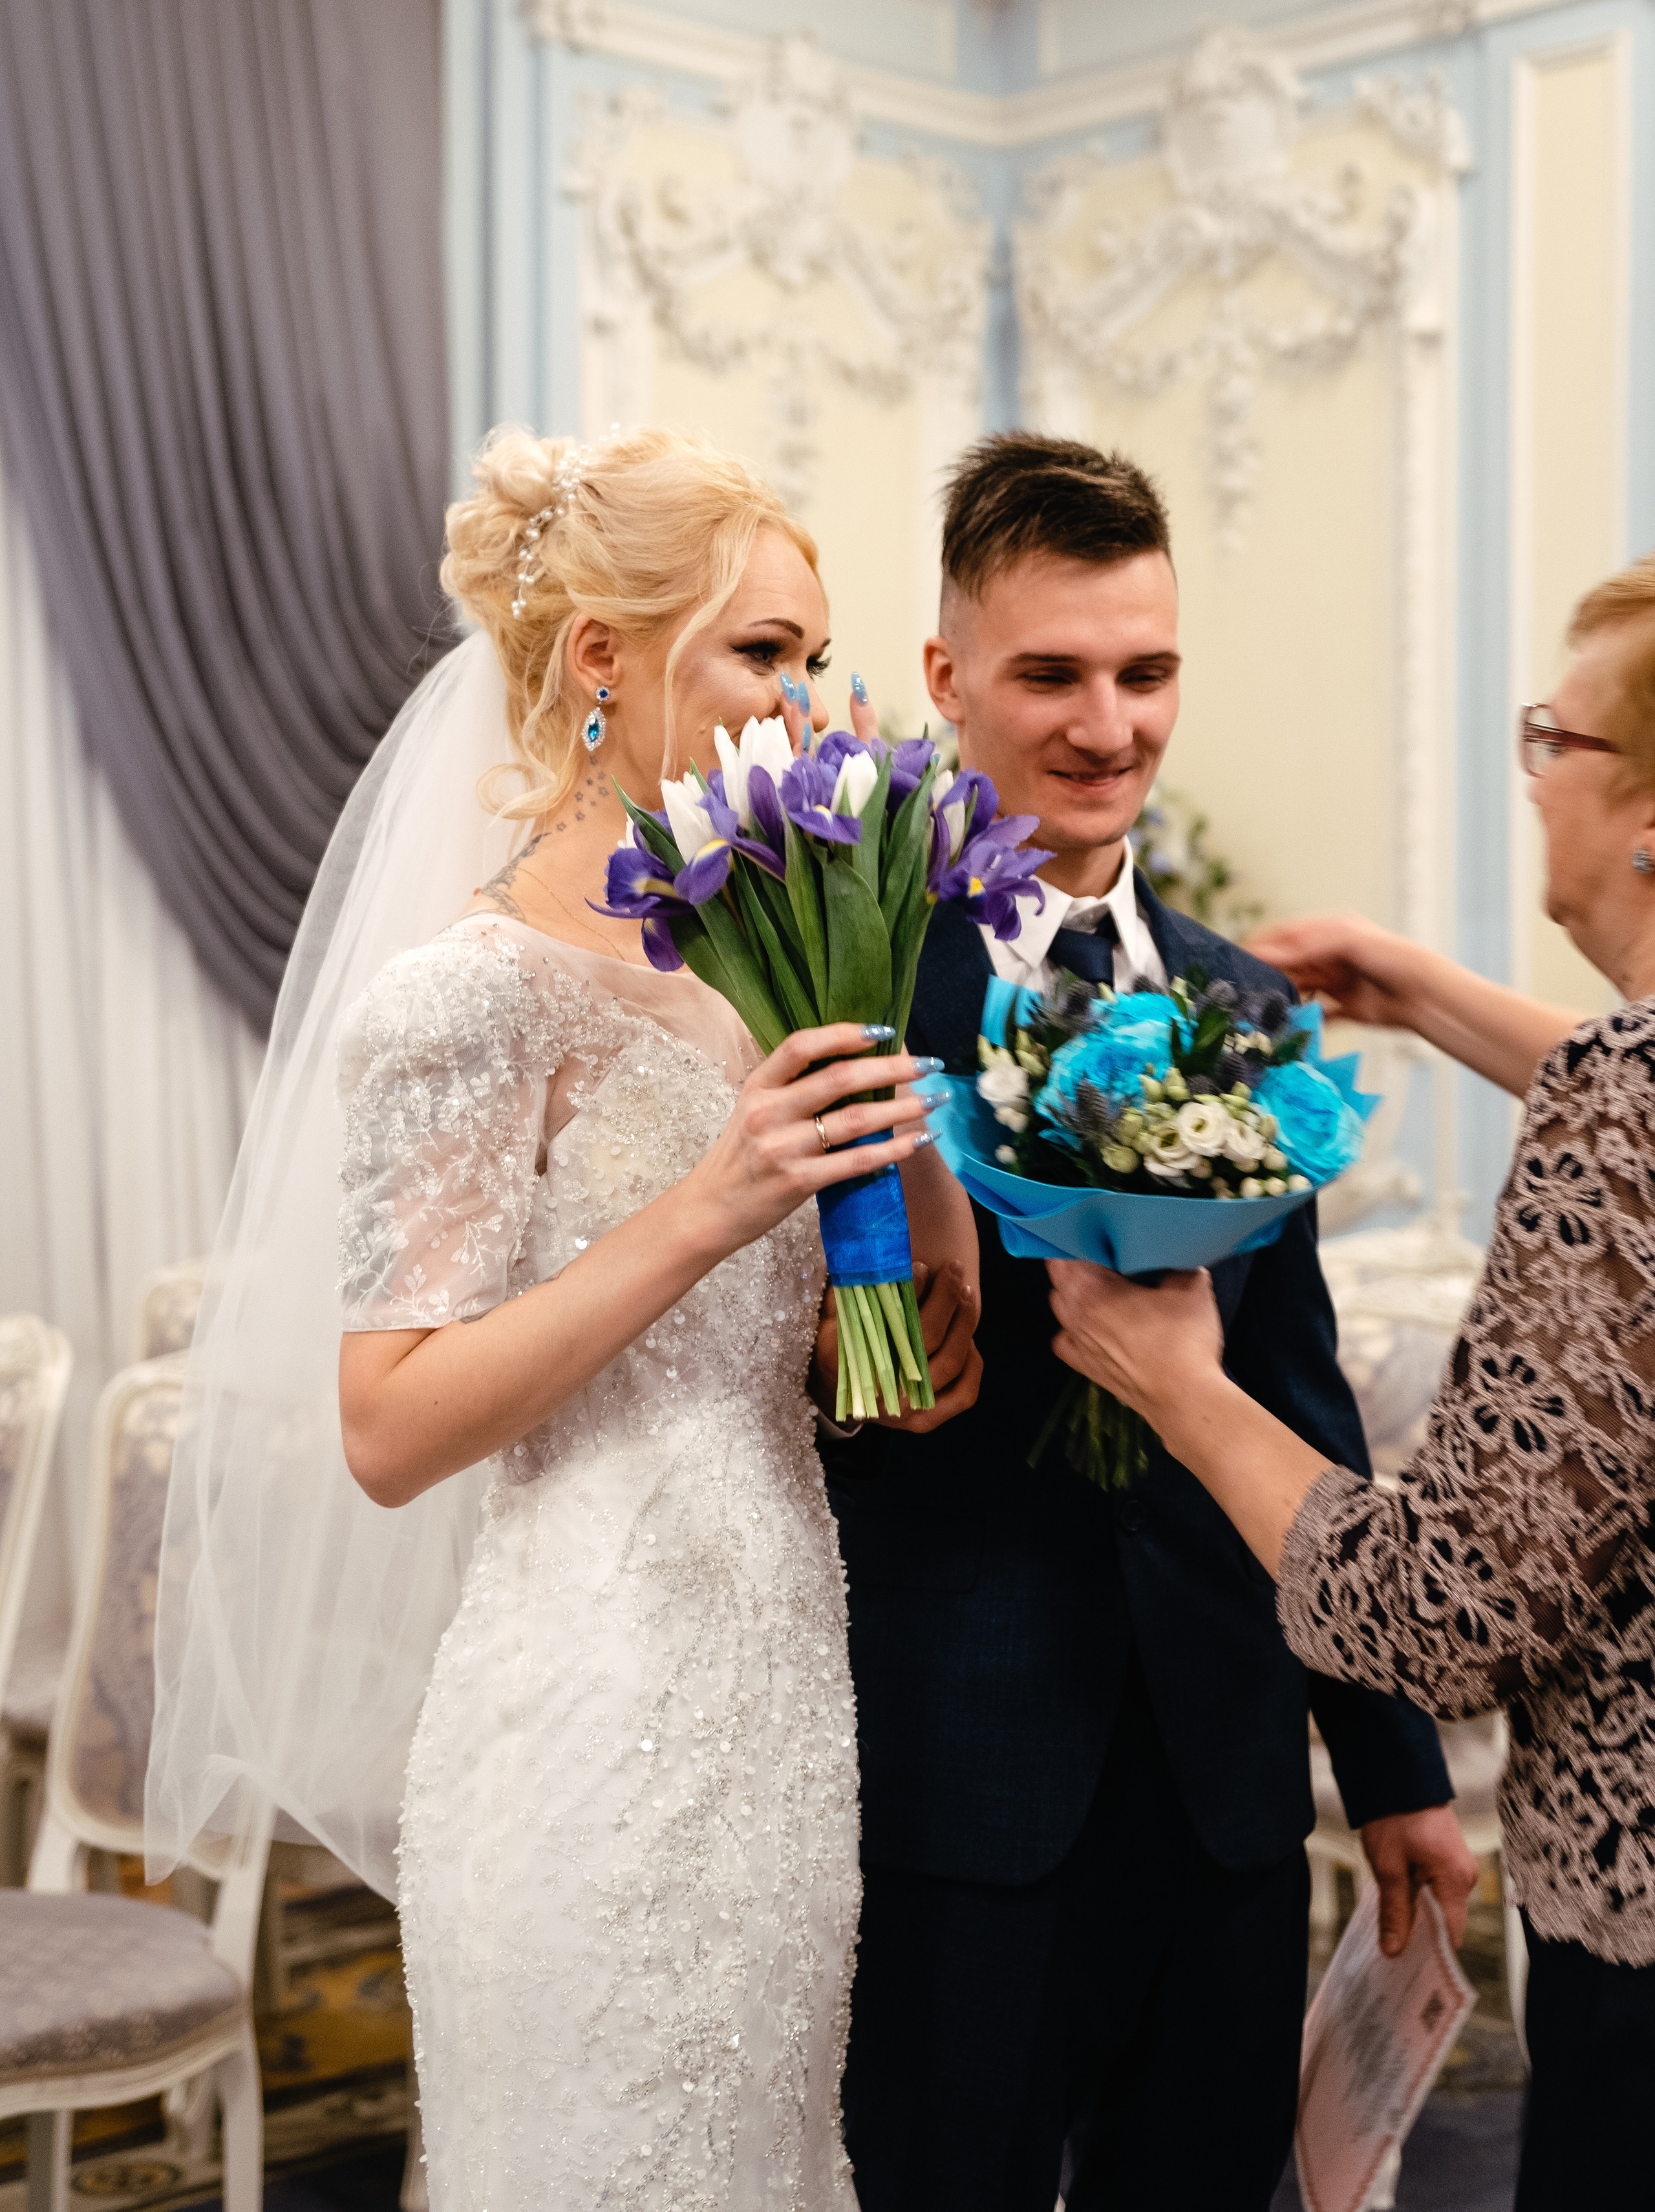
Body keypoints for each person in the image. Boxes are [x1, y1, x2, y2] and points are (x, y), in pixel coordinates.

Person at [146, 425, 979, 2211]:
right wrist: (708, 1207)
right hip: (583, 1706)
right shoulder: (465, 1002)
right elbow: (392, 1426)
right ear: (602, 657)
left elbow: (857, 1385)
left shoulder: (762, 970)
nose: (806, 701)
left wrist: (913, 1219)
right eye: (763, 649)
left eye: (813, 657)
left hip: (779, 1690)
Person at [818, 432, 1473, 2212]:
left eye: (1146, 670)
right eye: (1053, 674)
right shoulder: (843, 985)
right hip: (955, 1776)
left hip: (1227, 1782)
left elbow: (1297, 1390)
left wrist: (1392, 1763)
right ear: (950, 677)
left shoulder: (1247, 1002)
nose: (1110, 722)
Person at [1045, 555, 1655, 2212]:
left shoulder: (1624, 1104)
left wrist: (1179, 1386)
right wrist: (1430, 997)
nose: (1534, 778)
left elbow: (1450, 1608)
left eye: (1558, 741)